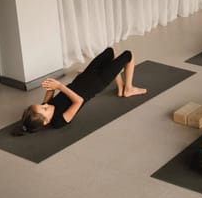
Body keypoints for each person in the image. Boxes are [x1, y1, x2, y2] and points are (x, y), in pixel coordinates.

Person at [12, 47, 147, 136]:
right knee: (129, 55)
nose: (45, 105)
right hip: (98, 82)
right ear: (46, 121)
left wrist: (50, 85)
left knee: (111, 52)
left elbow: (51, 91)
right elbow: (79, 100)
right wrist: (60, 87)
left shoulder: (48, 107)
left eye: (42, 105)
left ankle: (120, 88)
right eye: (44, 109)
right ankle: (127, 89)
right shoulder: (59, 121)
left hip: (85, 76)